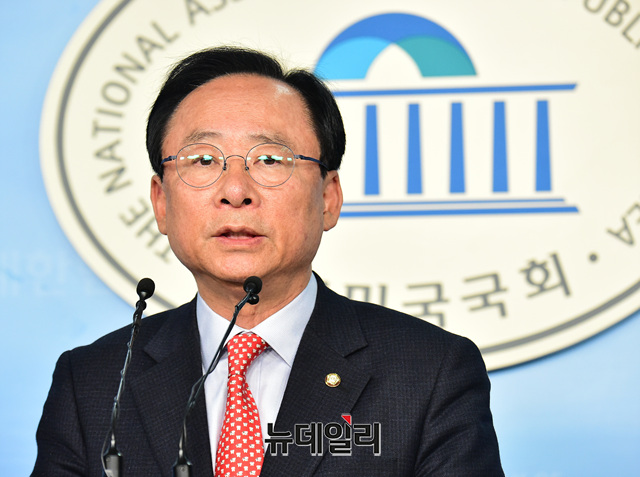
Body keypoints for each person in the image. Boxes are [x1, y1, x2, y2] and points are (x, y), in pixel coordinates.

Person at [32, 46, 504, 476]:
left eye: (270, 160)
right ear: (161, 202)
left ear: (328, 198)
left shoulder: (428, 373)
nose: (235, 191)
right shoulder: (93, 383)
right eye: (202, 160)